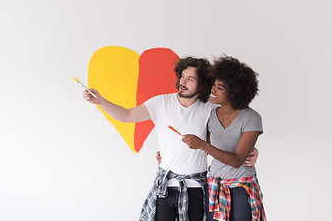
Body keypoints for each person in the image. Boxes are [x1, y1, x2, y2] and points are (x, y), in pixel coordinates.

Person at [83, 57, 258, 221]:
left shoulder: (209, 109)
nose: (182, 82)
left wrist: (253, 150)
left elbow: (229, 130)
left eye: (190, 79)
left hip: (196, 190)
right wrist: (100, 101)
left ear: (202, 84)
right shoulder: (160, 103)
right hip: (164, 188)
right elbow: (126, 115)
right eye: (182, 76)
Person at [181, 55, 266, 221]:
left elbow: (237, 160)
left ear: (234, 92)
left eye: (219, 87)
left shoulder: (251, 118)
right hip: (214, 186)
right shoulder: (210, 114)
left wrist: (203, 145)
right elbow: (198, 150)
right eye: (214, 84)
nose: (212, 89)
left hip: (241, 188)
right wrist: (166, 156)